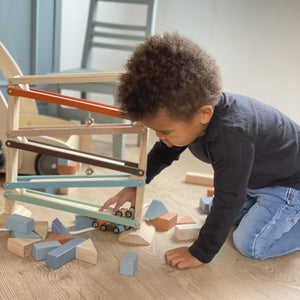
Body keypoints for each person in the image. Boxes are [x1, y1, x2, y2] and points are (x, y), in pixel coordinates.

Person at [100, 32, 300, 270]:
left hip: (288, 185)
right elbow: (163, 153)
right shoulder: (191, 114)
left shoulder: (232, 136)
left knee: (250, 243)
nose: (160, 138)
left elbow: (229, 197)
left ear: (204, 114)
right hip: (257, 180)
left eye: (164, 132)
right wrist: (134, 187)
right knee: (230, 220)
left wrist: (200, 252)